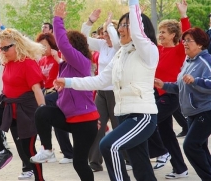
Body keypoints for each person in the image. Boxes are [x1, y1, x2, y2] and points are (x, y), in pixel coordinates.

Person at [54, 0, 159, 180]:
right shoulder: (120, 54)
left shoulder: (148, 51)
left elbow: (138, 34)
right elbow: (100, 80)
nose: (121, 29)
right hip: (124, 114)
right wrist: (69, 82)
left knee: (109, 145)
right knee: (141, 166)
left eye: (126, 25)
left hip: (142, 116)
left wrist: (133, 4)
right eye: (121, 25)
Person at [30, 2, 99, 181]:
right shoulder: (67, 65)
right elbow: (63, 62)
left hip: (84, 122)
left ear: (73, 46)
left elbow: (62, 44)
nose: (62, 48)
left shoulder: (81, 61)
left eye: (66, 45)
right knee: (42, 112)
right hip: (69, 118)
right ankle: (47, 150)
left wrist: (58, 20)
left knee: (79, 163)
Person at [0, 9, 45, 181]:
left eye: (7, 47)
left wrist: (43, 112)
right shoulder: (8, 59)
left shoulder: (28, 63)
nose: (3, 50)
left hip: (26, 111)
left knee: (28, 150)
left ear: (18, 45)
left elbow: (37, 90)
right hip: (9, 106)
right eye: (2, 48)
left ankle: (40, 179)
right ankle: (2, 151)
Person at [154, 27, 211, 181]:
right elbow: (181, 86)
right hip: (192, 112)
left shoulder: (206, 61)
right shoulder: (188, 61)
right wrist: (164, 85)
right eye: (184, 40)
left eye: (189, 41)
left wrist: (196, 80)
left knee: (190, 146)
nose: (185, 43)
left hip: (206, 110)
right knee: (200, 147)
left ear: (199, 44)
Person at [148, 0, 189, 177]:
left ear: (173, 35)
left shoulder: (180, 50)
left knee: (148, 122)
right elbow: (144, 40)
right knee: (167, 134)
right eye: (160, 32)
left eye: (164, 32)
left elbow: (187, 33)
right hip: (157, 94)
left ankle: (161, 152)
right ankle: (181, 169)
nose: (160, 35)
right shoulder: (157, 50)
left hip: (172, 95)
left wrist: (183, 15)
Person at [81, 9, 120, 172]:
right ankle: (95, 162)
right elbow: (84, 39)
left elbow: (116, 38)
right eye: (103, 33)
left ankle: (127, 157)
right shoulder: (102, 45)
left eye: (107, 33)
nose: (104, 36)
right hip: (101, 92)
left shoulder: (120, 46)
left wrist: (109, 24)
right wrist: (90, 21)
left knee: (119, 127)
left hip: (116, 92)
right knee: (97, 126)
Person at [35, 32, 74, 164]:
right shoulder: (41, 60)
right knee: (56, 124)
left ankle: (61, 152)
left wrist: (57, 57)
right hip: (47, 92)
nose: (42, 49)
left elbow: (67, 68)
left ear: (51, 45)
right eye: (40, 46)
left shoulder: (57, 57)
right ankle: (61, 152)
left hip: (59, 93)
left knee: (44, 109)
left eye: (44, 46)